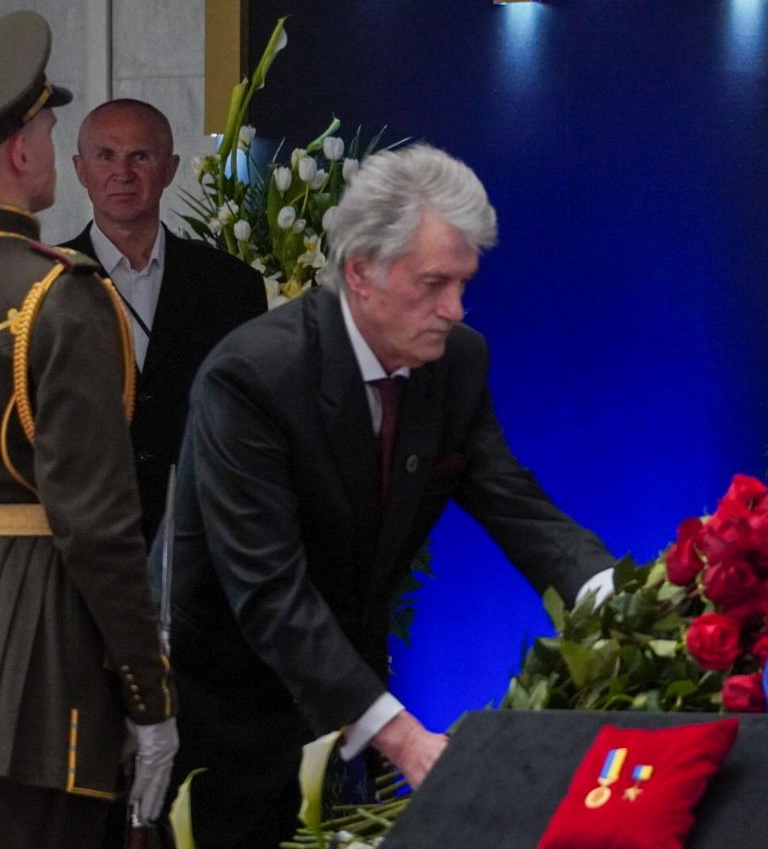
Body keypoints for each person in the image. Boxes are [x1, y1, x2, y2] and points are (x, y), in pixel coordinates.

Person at [161, 143, 617, 848]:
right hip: (225, 711)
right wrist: (404, 739)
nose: (454, 309)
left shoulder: (456, 361)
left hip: (349, 701)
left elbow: (515, 504)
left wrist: (617, 600)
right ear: (361, 272)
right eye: (434, 284)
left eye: (463, 283)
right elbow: (269, 592)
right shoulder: (253, 375)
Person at [0, 10, 177, 848]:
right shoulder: (57, 294)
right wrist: (150, 696)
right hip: (35, 671)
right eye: (46, 127)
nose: (48, 143)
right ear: (19, 151)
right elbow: (98, 525)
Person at [60, 99, 267, 544]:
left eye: (140, 156)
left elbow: (250, 419)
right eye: (105, 156)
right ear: (80, 169)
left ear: (170, 169)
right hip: (78, 537)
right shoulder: (45, 281)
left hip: (198, 535)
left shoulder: (232, 285)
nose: (122, 173)